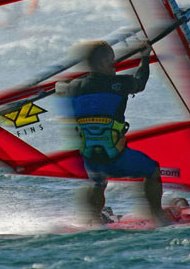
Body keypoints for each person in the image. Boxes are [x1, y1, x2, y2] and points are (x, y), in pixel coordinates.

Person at [55, 40, 182, 226]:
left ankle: (93, 219)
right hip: (115, 158)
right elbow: (140, 82)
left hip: (90, 159)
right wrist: (145, 57)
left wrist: (63, 83)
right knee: (153, 170)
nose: (114, 65)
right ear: (100, 64)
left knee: (98, 180)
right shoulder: (120, 83)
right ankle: (157, 215)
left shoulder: (74, 87)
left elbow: (60, 87)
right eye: (111, 61)